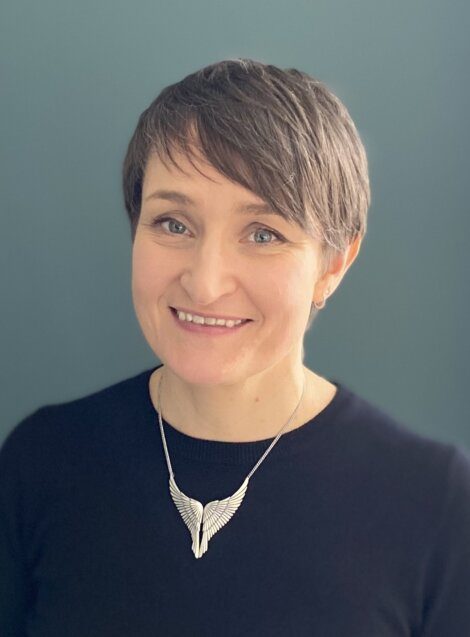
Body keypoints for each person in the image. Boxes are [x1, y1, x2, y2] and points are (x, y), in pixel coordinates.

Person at [1, 58, 469, 637]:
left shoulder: (435, 501)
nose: (205, 281)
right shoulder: (40, 462)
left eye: (263, 234)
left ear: (334, 264)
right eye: (173, 223)